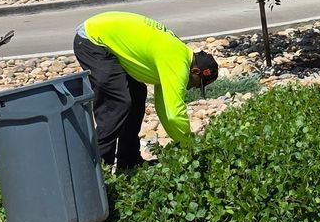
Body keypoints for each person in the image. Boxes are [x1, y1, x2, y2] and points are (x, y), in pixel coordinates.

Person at [73, 10, 219, 170]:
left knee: (137, 94)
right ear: (196, 72)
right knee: (118, 102)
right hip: (93, 40)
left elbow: (165, 109)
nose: (192, 88)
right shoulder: (177, 62)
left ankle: (128, 162)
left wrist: (183, 144)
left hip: (104, 38)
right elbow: (175, 115)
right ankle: (99, 171)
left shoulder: (177, 55)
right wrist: (191, 147)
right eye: (197, 84)